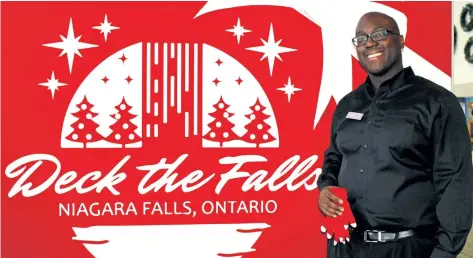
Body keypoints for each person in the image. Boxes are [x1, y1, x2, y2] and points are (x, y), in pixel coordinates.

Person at [317, 11, 473, 258]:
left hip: (409, 248)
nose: (369, 43)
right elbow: (333, 159)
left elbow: (455, 183)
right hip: (346, 246)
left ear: (401, 41)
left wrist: (445, 252)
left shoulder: (438, 103)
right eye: (361, 38)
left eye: (379, 34)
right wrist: (325, 189)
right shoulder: (348, 105)